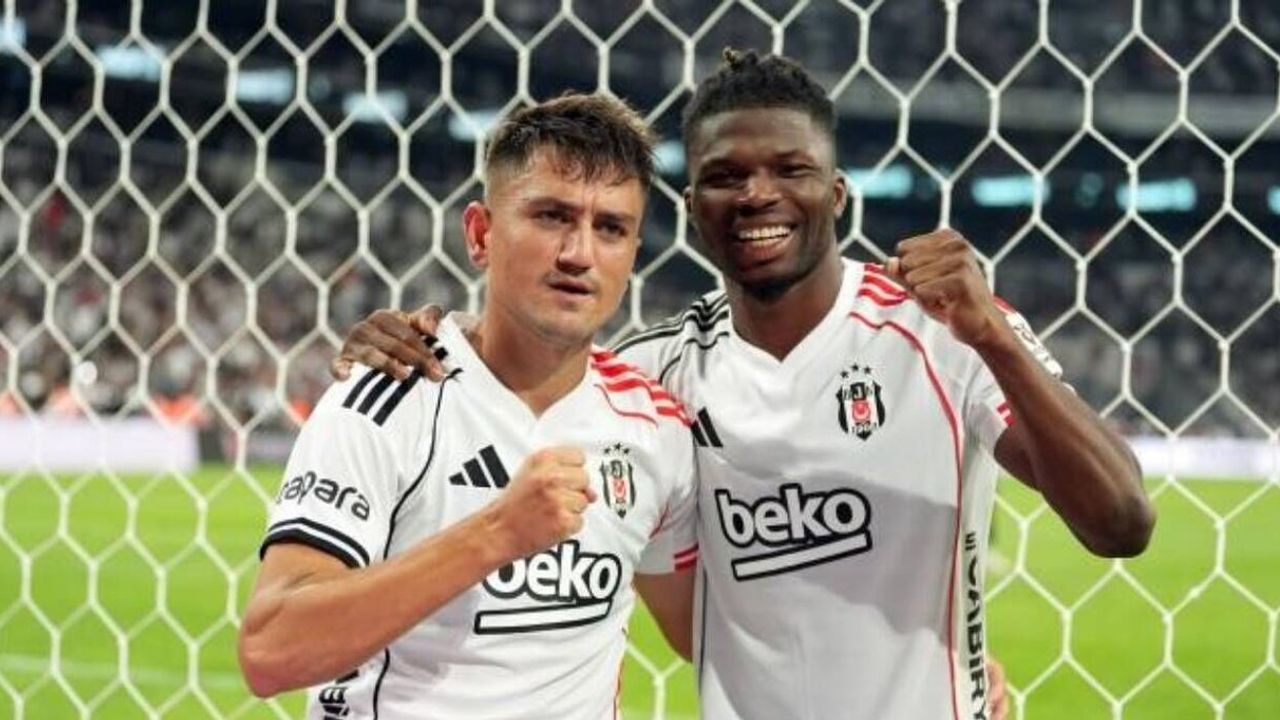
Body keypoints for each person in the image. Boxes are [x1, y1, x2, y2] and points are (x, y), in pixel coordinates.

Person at [336, 50, 1155, 719]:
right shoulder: (655, 378)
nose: (759, 193)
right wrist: (413, 340)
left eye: (791, 168)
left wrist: (994, 338)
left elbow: (1121, 522)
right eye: (727, 175)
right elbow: (697, 622)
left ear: (837, 192)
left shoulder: (941, 329)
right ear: (694, 206)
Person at [238, 93, 701, 720]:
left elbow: (704, 634)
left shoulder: (656, 427)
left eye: (610, 228)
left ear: (633, 254)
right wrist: (498, 533)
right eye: (551, 216)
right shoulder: (387, 395)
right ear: (481, 234)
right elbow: (271, 650)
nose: (579, 253)